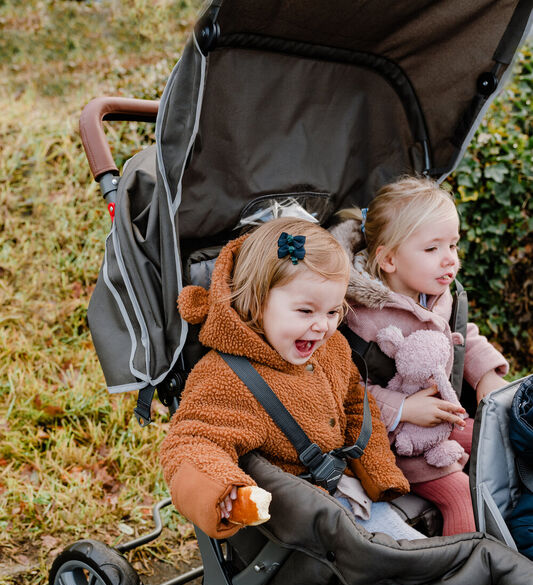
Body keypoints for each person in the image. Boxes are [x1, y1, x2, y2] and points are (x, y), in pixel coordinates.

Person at [160, 217, 423, 542]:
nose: (323, 326)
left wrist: (378, 469)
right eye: (305, 311)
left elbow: (355, 399)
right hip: (295, 526)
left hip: (350, 495)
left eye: (332, 311)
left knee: (417, 552)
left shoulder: (331, 349)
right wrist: (224, 488)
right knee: (412, 563)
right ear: (257, 302)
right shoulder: (227, 377)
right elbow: (192, 441)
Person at [330, 176, 508, 536]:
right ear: (390, 259)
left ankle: (516, 535)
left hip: (442, 422)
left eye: (454, 246)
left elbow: (460, 335)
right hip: (393, 445)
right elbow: (342, 392)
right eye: (432, 249)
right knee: (459, 494)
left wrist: (487, 376)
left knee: (501, 438)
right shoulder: (358, 318)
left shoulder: (434, 293)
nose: (450, 260)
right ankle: (464, 580)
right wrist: (403, 410)